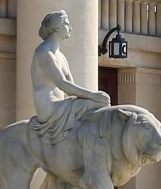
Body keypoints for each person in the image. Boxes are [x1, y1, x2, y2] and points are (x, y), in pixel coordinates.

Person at [29, 10, 110, 144]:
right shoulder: (43, 52)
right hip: (49, 108)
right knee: (99, 101)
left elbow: (70, 87)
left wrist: (90, 97)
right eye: (66, 24)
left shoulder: (61, 56)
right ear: (56, 28)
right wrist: (92, 95)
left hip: (62, 105)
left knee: (101, 101)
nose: (70, 28)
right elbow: (62, 84)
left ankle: (92, 139)